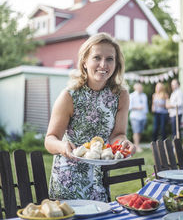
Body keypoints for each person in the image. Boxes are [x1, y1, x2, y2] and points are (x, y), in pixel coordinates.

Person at [44, 32, 136, 202]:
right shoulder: (69, 96)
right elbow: (50, 139)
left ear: (116, 64)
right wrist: (63, 147)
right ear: (84, 62)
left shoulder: (121, 95)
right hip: (68, 179)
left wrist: (124, 143)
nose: (103, 64)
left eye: (110, 59)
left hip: (99, 179)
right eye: (97, 58)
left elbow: (118, 134)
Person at [129, 83, 148, 153]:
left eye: (141, 87)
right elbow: (129, 107)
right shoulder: (132, 96)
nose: (141, 88)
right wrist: (138, 108)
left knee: (140, 132)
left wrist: (145, 115)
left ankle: (137, 144)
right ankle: (136, 146)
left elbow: (146, 107)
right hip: (135, 116)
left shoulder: (144, 96)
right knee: (136, 132)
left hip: (143, 116)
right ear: (135, 88)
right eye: (139, 87)